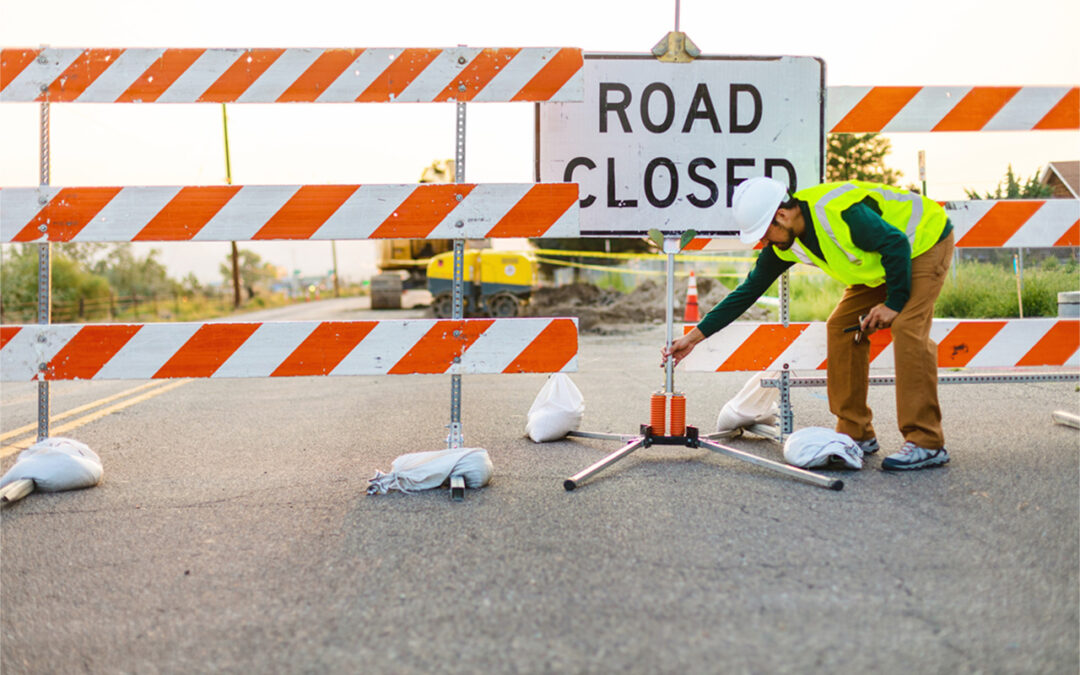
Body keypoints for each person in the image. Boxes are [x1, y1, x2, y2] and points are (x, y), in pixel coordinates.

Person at [663, 177, 955, 471]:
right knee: (841, 325)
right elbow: (747, 293)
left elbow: (895, 243)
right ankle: (855, 432)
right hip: (883, 262)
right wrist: (694, 337)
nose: (764, 242)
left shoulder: (840, 213)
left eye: (765, 234)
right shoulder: (784, 243)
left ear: (782, 215)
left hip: (922, 242)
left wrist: (894, 303)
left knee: (907, 328)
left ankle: (926, 441)